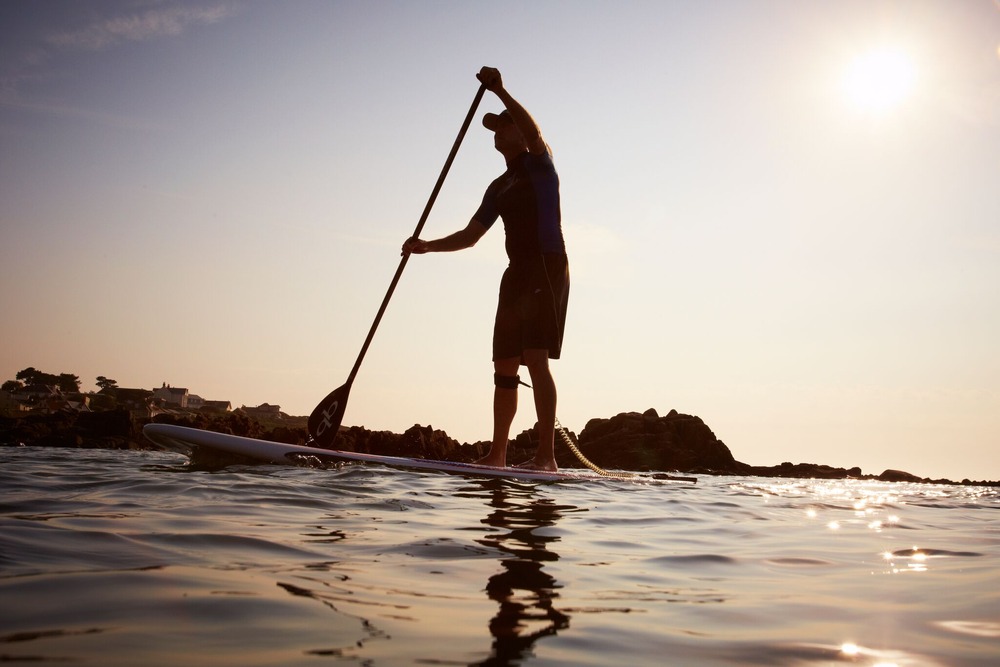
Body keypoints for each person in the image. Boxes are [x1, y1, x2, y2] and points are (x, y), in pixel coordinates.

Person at [401, 66, 569, 471]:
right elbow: (470, 235)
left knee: (534, 356)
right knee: (504, 363)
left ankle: (546, 458)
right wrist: (427, 247)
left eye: (502, 126)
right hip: (515, 272)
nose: (497, 133)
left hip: (546, 264)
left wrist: (501, 91)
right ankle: (499, 454)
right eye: (492, 129)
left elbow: (535, 133)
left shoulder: (540, 165)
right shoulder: (497, 186)